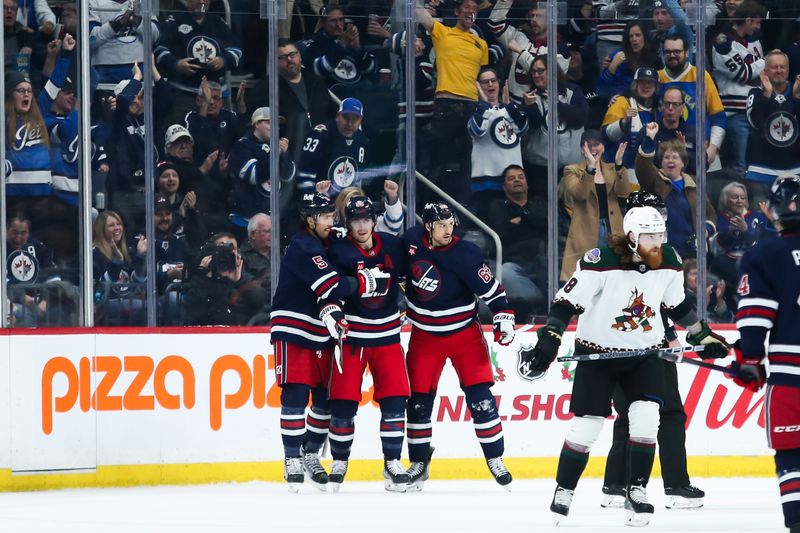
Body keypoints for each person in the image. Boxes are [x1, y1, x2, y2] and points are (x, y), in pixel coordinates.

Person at [520, 206, 730, 526]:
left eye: (660, 235)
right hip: (597, 354)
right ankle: (564, 490)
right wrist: (550, 335)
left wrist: (702, 333)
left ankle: (637, 490)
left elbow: (676, 305)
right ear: (632, 238)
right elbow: (566, 303)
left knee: (646, 420)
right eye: (649, 237)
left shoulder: (669, 261)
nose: (657, 242)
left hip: (645, 355)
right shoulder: (600, 262)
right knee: (588, 427)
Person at [599, 192, 709, 511]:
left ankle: (615, 485)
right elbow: (659, 303)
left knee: (629, 414)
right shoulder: (655, 257)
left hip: (620, 345)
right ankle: (675, 486)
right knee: (670, 413)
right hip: (648, 346)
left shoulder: (616, 254)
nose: (658, 223)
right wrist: (673, 333)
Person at [269, 192, 385, 492]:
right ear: (310, 220)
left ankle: (309, 453)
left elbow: (355, 234)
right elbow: (332, 285)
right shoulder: (303, 246)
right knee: (295, 395)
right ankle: (291, 457)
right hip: (294, 328)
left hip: (321, 332)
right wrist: (366, 282)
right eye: (325, 216)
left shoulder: (325, 240)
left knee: (323, 399)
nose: (331, 221)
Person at [403, 201, 516, 490]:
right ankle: (418, 461)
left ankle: (495, 457)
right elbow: (387, 246)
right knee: (418, 403)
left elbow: (493, 291)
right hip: (424, 336)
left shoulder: (466, 254)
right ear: (427, 226)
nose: (447, 229)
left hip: (464, 335)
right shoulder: (412, 241)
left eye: (450, 223)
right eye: (441, 224)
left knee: (481, 399)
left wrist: (504, 319)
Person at [326, 196, 409, 492]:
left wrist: (405, 298)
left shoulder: (391, 244)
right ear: (347, 224)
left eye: (366, 220)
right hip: (353, 338)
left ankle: (392, 462)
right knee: (344, 402)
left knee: (395, 401)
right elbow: (330, 286)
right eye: (355, 221)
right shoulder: (337, 249)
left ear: (374, 221)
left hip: (387, 336)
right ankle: (339, 461)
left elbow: (413, 264)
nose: (361, 226)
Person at [732, 175, 800, 533]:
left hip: (792, 379)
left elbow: (756, 319)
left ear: (773, 211)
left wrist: (749, 362)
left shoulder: (764, 254)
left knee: (792, 456)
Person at [416, 0, 488, 205]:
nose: (471, 12)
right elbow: (420, 13)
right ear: (456, 11)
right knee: (439, 162)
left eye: (475, 10)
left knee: (468, 164)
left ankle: (462, 214)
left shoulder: (481, 44)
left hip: (471, 106)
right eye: (467, 8)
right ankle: (428, 209)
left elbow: (479, 78)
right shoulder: (443, 32)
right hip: (446, 104)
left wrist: (486, 103)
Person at [636, 122, 717, 260]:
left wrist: (705, 230)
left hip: (691, 254)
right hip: (661, 253)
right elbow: (643, 168)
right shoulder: (654, 179)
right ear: (661, 162)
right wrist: (649, 139)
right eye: (666, 157)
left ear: (683, 162)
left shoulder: (695, 183)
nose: (670, 161)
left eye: (675, 157)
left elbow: (710, 214)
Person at [154, 0, 242, 124]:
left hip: (215, 94)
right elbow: (159, 51)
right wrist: (176, 64)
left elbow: (236, 50)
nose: (202, 1)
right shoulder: (173, 21)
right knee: (185, 137)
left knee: (220, 137)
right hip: (183, 94)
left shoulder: (218, 22)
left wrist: (223, 60)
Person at [559, 130, 630, 281]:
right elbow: (580, 194)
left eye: (596, 144)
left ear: (603, 147)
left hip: (614, 229)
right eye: (588, 145)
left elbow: (624, 192)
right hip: (587, 230)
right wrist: (590, 169)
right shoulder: (572, 170)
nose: (593, 149)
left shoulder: (612, 169)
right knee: (588, 275)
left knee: (614, 276)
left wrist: (619, 166)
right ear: (581, 149)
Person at [710, 1, 766, 172]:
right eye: (757, 22)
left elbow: (761, 74)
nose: (758, 27)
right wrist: (766, 62)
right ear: (748, 20)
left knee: (754, 165)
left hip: (755, 111)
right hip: (735, 113)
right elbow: (743, 74)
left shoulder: (754, 41)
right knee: (739, 167)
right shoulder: (723, 43)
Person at [486, 164, 547, 318]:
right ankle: (540, 304)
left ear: (527, 183)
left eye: (521, 177)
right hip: (513, 262)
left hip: (543, 261)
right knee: (505, 273)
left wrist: (521, 219)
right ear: (504, 187)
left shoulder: (539, 202)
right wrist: (531, 220)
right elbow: (503, 232)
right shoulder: (497, 206)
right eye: (511, 179)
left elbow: (545, 222)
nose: (517, 181)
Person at [658, 35, 726, 169]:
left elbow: (718, 117)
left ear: (687, 52)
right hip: (666, 158)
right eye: (668, 52)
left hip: (701, 152)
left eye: (677, 51)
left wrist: (712, 149)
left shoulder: (701, 75)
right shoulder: (657, 77)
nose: (672, 55)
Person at [468, 68, 528, 214]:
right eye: (485, 82)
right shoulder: (476, 111)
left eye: (493, 81)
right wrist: (484, 105)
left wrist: (509, 107)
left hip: (514, 184)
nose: (490, 85)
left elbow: (523, 129)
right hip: (485, 184)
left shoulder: (511, 109)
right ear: (478, 86)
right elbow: (476, 130)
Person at [745, 50, 800, 205]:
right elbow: (755, 122)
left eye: (782, 67)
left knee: (793, 224)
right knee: (760, 221)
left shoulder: (797, 91)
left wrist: (797, 100)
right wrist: (767, 96)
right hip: (761, 171)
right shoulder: (755, 93)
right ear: (765, 71)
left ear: (788, 70)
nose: (779, 70)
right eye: (774, 67)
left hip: (795, 170)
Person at [228, 106, 295, 232]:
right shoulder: (242, 146)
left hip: (275, 221)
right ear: (257, 124)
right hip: (247, 222)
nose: (275, 128)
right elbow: (254, 175)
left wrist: (285, 154)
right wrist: (275, 154)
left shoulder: (276, 146)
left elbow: (288, 176)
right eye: (270, 123)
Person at [184, 231, 265, 326]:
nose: (227, 253)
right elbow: (194, 312)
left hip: (240, 333)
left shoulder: (244, 276)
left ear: (238, 253)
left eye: (231, 248)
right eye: (221, 248)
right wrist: (205, 277)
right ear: (211, 253)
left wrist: (239, 281)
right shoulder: (203, 278)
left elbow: (261, 303)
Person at [297, 97, 369, 198]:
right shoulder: (319, 135)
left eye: (355, 119)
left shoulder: (362, 141)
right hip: (320, 203)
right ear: (338, 116)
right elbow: (303, 174)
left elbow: (357, 180)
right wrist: (314, 200)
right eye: (346, 117)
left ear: (361, 119)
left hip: (344, 205)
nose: (350, 123)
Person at [599, 67, 658, 181]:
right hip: (620, 173)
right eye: (642, 82)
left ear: (656, 88)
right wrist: (623, 122)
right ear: (635, 85)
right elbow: (605, 135)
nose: (646, 86)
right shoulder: (622, 102)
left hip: (646, 175)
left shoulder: (657, 111)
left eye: (650, 83)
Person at [299, 4, 377, 89]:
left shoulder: (351, 38)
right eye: (333, 21)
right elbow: (318, 71)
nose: (339, 25)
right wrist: (341, 45)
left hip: (361, 91)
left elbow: (371, 71)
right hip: (335, 94)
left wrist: (358, 49)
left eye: (341, 20)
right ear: (323, 23)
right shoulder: (315, 42)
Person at [92, 210, 147, 326]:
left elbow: (137, 283)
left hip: (129, 300)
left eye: (119, 224)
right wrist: (116, 262)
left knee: (154, 305)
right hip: (106, 303)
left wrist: (141, 257)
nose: (117, 228)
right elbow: (100, 289)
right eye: (111, 225)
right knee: (143, 307)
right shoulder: (94, 254)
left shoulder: (128, 251)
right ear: (101, 230)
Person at [596, 20, 661, 101]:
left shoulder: (653, 56)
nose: (634, 39)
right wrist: (612, 67)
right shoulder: (618, 56)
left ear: (645, 37)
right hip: (624, 102)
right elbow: (601, 90)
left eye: (638, 35)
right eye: (630, 36)